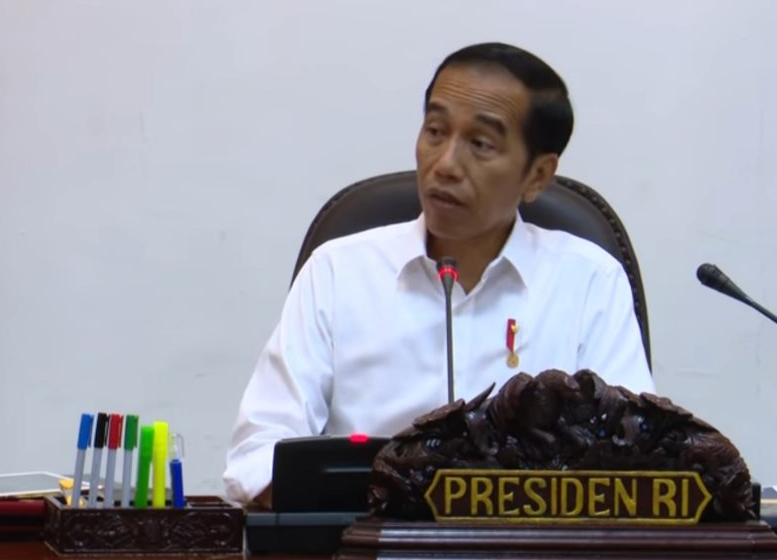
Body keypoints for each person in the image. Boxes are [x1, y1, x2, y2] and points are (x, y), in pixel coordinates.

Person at [223, 42, 655, 507]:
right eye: (435, 131)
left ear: (537, 175)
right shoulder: (338, 272)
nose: (445, 165)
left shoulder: (589, 282)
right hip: (363, 534)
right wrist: (386, 498)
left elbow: (633, 463)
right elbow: (256, 458)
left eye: (480, 144)